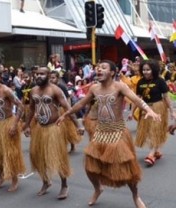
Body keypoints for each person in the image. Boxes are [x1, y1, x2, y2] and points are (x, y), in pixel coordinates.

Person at [57, 60, 160, 208]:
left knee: (128, 170)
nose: (99, 69)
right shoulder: (94, 88)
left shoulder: (119, 86)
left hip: (118, 132)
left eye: (103, 68)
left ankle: (135, 196)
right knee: (90, 167)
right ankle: (98, 189)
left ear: (112, 72)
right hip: (100, 132)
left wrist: (149, 110)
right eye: (98, 68)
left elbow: (136, 99)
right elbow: (81, 104)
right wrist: (66, 114)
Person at [23, 67, 76, 199]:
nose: (38, 76)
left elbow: (67, 107)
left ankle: (64, 185)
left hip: (53, 128)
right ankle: (46, 182)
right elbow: (31, 109)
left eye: (42, 74)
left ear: (48, 75)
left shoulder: (55, 90)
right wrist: (27, 125)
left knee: (58, 157)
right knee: (38, 156)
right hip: (39, 129)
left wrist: (77, 125)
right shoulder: (34, 90)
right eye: (37, 74)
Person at [0, 68, 25, 192]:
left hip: (9, 122)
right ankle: (1, 177)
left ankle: (14, 180)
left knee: (10, 153)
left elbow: (20, 106)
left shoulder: (6, 91)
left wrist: (14, 125)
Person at [135, 60, 174, 167]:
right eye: (144, 70)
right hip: (146, 109)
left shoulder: (160, 81)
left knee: (154, 131)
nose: (145, 72)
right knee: (147, 132)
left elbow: (166, 97)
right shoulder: (140, 82)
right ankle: (156, 151)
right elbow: (138, 98)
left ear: (153, 70)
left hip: (158, 108)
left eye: (148, 69)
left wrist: (172, 111)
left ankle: (151, 155)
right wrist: (133, 111)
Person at [50, 70, 82, 152]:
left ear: (58, 78)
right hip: (54, 110)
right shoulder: (49, 87)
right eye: (50, 78)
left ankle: (72, 145)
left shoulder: (62, 87)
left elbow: (67, 99)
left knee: (68, 128)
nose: (51, 79)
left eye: (53, 78)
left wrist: (68, 111)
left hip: (63, 109)